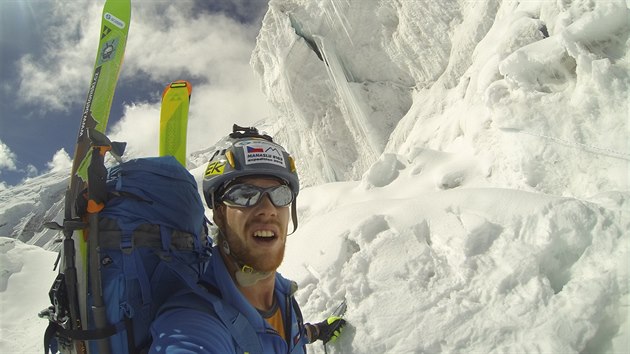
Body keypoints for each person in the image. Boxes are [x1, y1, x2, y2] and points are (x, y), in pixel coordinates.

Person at [149, 125, 346, 353]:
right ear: (219, 213)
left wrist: (317, 332)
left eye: (280, 195)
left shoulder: (281, 294)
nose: (267, 209)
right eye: (244, 195)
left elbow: (284, 335)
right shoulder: (194, 319)